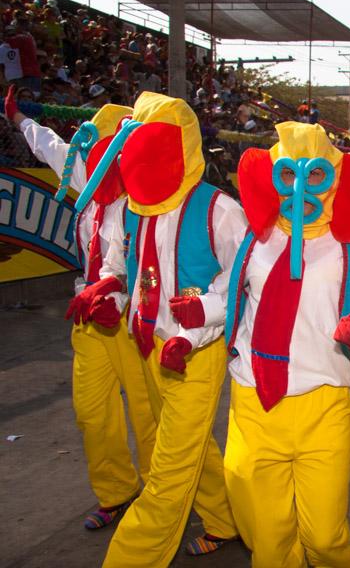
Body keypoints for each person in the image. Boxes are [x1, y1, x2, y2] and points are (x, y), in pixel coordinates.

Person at [74, 92, 243, 566]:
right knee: (190, 445)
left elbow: (243, 279)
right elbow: (121, 264)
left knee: (168, 469)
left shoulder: (219, 209)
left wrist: (199, 322)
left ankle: (131, 557)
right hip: (146, 343)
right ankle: (226, 519)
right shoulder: (131, 206)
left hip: (195, 353)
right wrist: (108, 293)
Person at [221, 122, 350, 567]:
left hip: (324, 406)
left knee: (325, 538)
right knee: (269, 539)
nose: (301, 186)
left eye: (315, 173)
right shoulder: (254, 237)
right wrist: (192, 318)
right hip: (254, 403)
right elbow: (229, 296)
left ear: (335, 177)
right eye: (288, 173)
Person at [6, 88, 157, 531]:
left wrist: (117, 291)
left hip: (132, 320)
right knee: (93, 414)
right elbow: (51, 145)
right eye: (90, 148)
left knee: (148, 413)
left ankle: (157, 496)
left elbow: (152, 264)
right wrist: (18, 119)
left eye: (102, 148)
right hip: (88, 317)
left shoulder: (147, 198)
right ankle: (117, 491)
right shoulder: (88, 183)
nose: (91, 154)